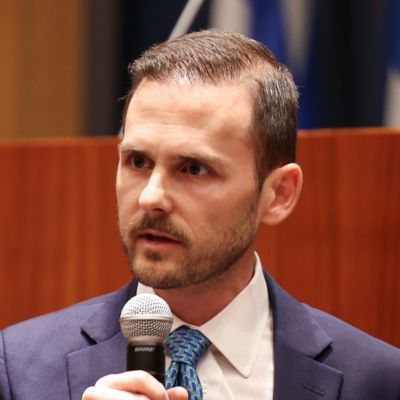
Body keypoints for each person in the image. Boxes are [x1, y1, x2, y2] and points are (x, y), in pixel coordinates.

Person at [1, 30, 399, 400]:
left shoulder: (376, 380)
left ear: (279, 194)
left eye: (193, 169)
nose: (151, 198)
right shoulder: (18, 369)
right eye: (138, 161)